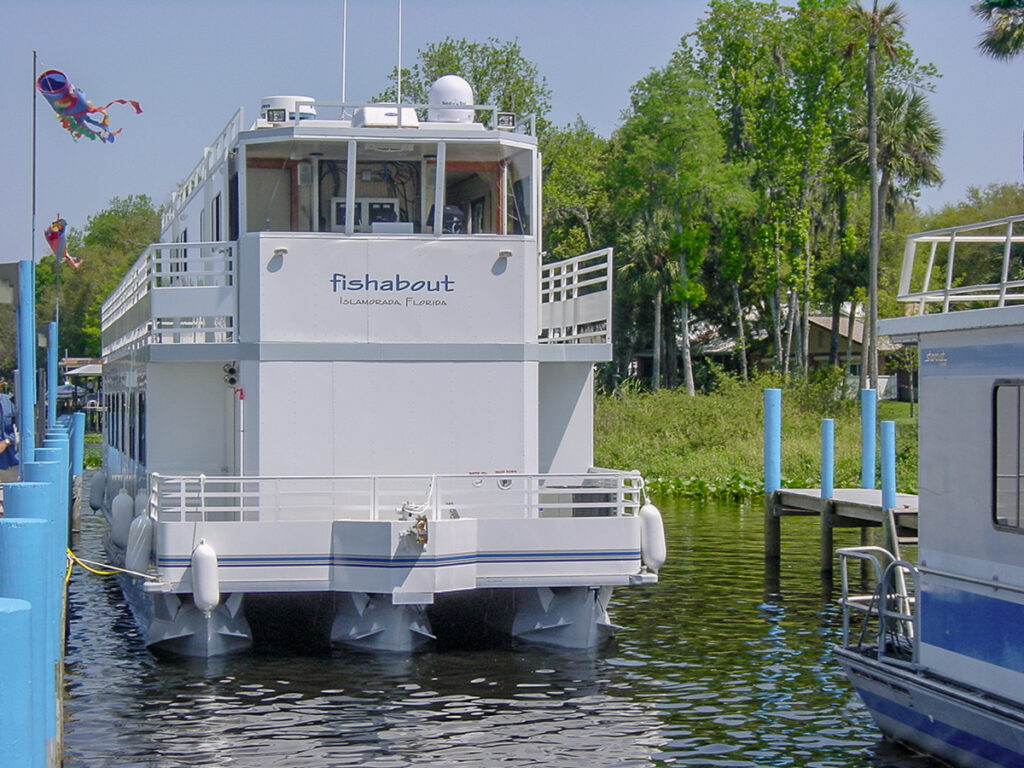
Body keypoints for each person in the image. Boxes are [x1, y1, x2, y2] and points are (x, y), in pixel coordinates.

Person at [0, 391, 20, 483]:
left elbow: (20, 428)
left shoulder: (9, 402)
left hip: (9, 459)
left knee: (11, 491)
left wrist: (6, 442)